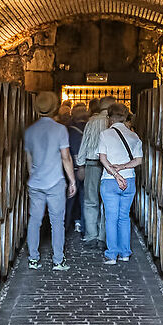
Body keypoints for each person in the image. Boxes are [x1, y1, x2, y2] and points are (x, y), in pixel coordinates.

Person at [22, 90, 78, 271]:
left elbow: (28, 159)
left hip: (36, 182)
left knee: (34, 220)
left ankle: (33, 259)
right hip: (55, 182)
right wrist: (72, 181)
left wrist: (33, 175)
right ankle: (58, 260)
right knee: (57, 222)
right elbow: (66, 157)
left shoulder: (29, 130)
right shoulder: (60, 129)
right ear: (55, 108)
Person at [94, 103, 142, 265]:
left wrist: (115, 173)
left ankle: (112, 254)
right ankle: (125, 253)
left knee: (111, 218)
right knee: (124, 217)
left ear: (109, 118)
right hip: (129, 180)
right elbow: (138, 160)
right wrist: (123, 168)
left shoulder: (105, 134)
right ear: (125, 117)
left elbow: (102, 158)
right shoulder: (134, 136)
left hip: (109, 181)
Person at [74, 99, 111, 244]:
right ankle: (104, 235)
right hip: (110, 166)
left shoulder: (92, 121)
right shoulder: (113, 123)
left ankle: (91, 234)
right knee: (106, 201)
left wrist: (80, 165)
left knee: (91, 201)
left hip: (92, 163)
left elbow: (85, 143)